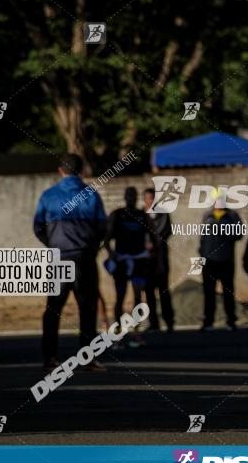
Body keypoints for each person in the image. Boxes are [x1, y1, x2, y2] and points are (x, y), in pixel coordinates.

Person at [33, 153, 108, 371]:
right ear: (81, 171)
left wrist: (53, 246)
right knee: (87, 309)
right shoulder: (91, 195)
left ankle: (50, 358)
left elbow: (38, 227)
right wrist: (92, 248)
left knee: (53, 309)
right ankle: (88, 359)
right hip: (84, 258)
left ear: (60, 171)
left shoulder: (48, 195)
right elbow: (102, 228)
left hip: (59, 259)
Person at [105, 187, 160, 344]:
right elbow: (107, 239)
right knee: (120, 297)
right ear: (125, 197)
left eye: (134, 196)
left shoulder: (142, 216)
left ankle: (136, 333)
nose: (131, 198)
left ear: (137, 198)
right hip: (122, 261)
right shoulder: (117, 215)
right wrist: (111, 254)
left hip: (138, 261)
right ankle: (117, 332)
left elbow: (154, 237)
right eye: (129, 195)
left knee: (138, 297)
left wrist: (154, 254)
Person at [199, 191, 243, 331]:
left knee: (228, 292)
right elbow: (202, 237)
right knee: (208, 292)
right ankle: (208, 322)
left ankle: (231, 321)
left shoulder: (232, 216)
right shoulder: (207, 215)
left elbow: (238, 234)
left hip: (226, 260)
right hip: (209, 261)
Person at [143, 187, 176, 332]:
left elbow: (167, 231)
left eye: (152, 198)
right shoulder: (140, 214)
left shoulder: (163, 213)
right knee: (149, 292)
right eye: (147, 198)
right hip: (146, 260)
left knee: (163, 290)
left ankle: (169, 322)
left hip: (160, 259)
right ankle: (153, 323)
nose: (149, 201)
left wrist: (154, 242)